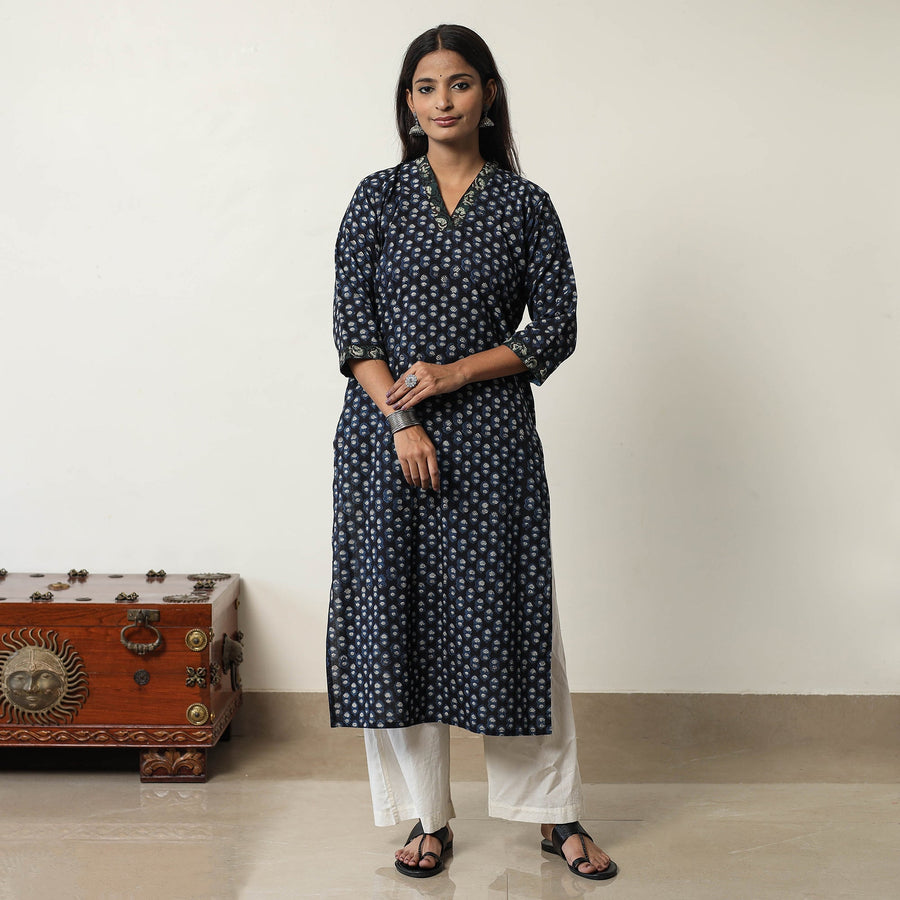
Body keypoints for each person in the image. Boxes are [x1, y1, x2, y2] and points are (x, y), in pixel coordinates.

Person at [328, 24, 617, 881]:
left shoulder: (525, 205)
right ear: (408, 103)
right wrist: (402, 420)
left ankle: (554, 813)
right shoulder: (378, 198)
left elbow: (555, 328)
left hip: (492, 440)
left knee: (515, 619)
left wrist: (454, 373)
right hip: (386, 441)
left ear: (488, 94)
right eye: (426, 87)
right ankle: (428, 816)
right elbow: (353, 329)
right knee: (399, 620)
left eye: (459, 83)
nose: (443, 101)